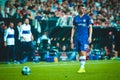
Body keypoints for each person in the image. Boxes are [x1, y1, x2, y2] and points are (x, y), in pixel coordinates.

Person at [70, 4, 93, 73]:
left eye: (84, 9)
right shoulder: (76, 18)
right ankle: (81, 67)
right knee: (79, 52)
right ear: (78, 9)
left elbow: (90, 27)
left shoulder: (87, 17)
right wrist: (71, 38)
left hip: (84, 36)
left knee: (83, 51)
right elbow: (73, 28)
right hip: (77, 37)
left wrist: (90, 36)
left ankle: (82, 67)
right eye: (81, 8)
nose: (83, 10)